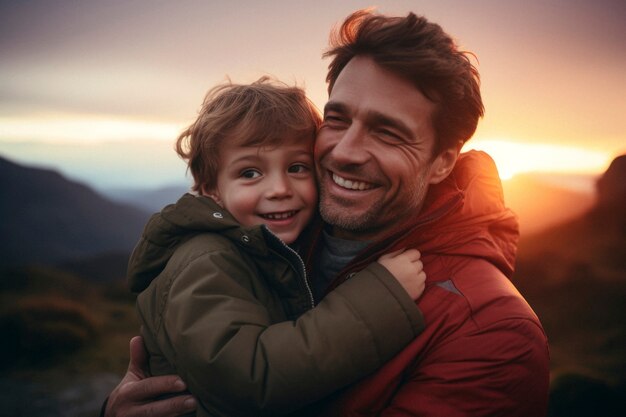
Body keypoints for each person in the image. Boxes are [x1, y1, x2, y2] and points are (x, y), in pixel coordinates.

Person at [104, 9, 550, 417]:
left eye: (388, 132)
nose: (346, 151)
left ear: (442, 162)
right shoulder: (277, 234)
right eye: (337, 119)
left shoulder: (491, 332)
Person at [125, 77, 427, 416]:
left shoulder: (265, 249)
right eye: (251, 173)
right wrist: (377, 300)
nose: (280, 188)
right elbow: (248, 379)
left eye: (296, 168)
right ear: (211, 188)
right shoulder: (208, 261)